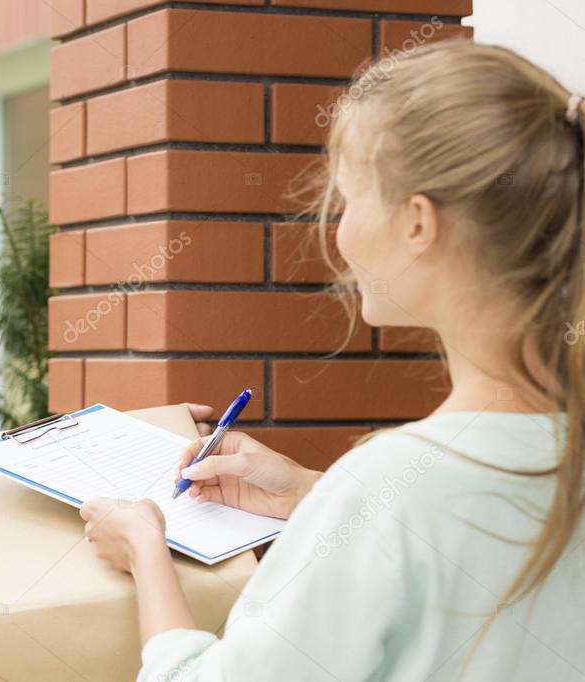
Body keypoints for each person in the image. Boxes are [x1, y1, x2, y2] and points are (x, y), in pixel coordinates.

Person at [80, 40, 585, 681]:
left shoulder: (390, 489)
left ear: (418, 225)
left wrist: (145, 547)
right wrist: (312, 496)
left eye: (349, 199)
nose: (337, 232)